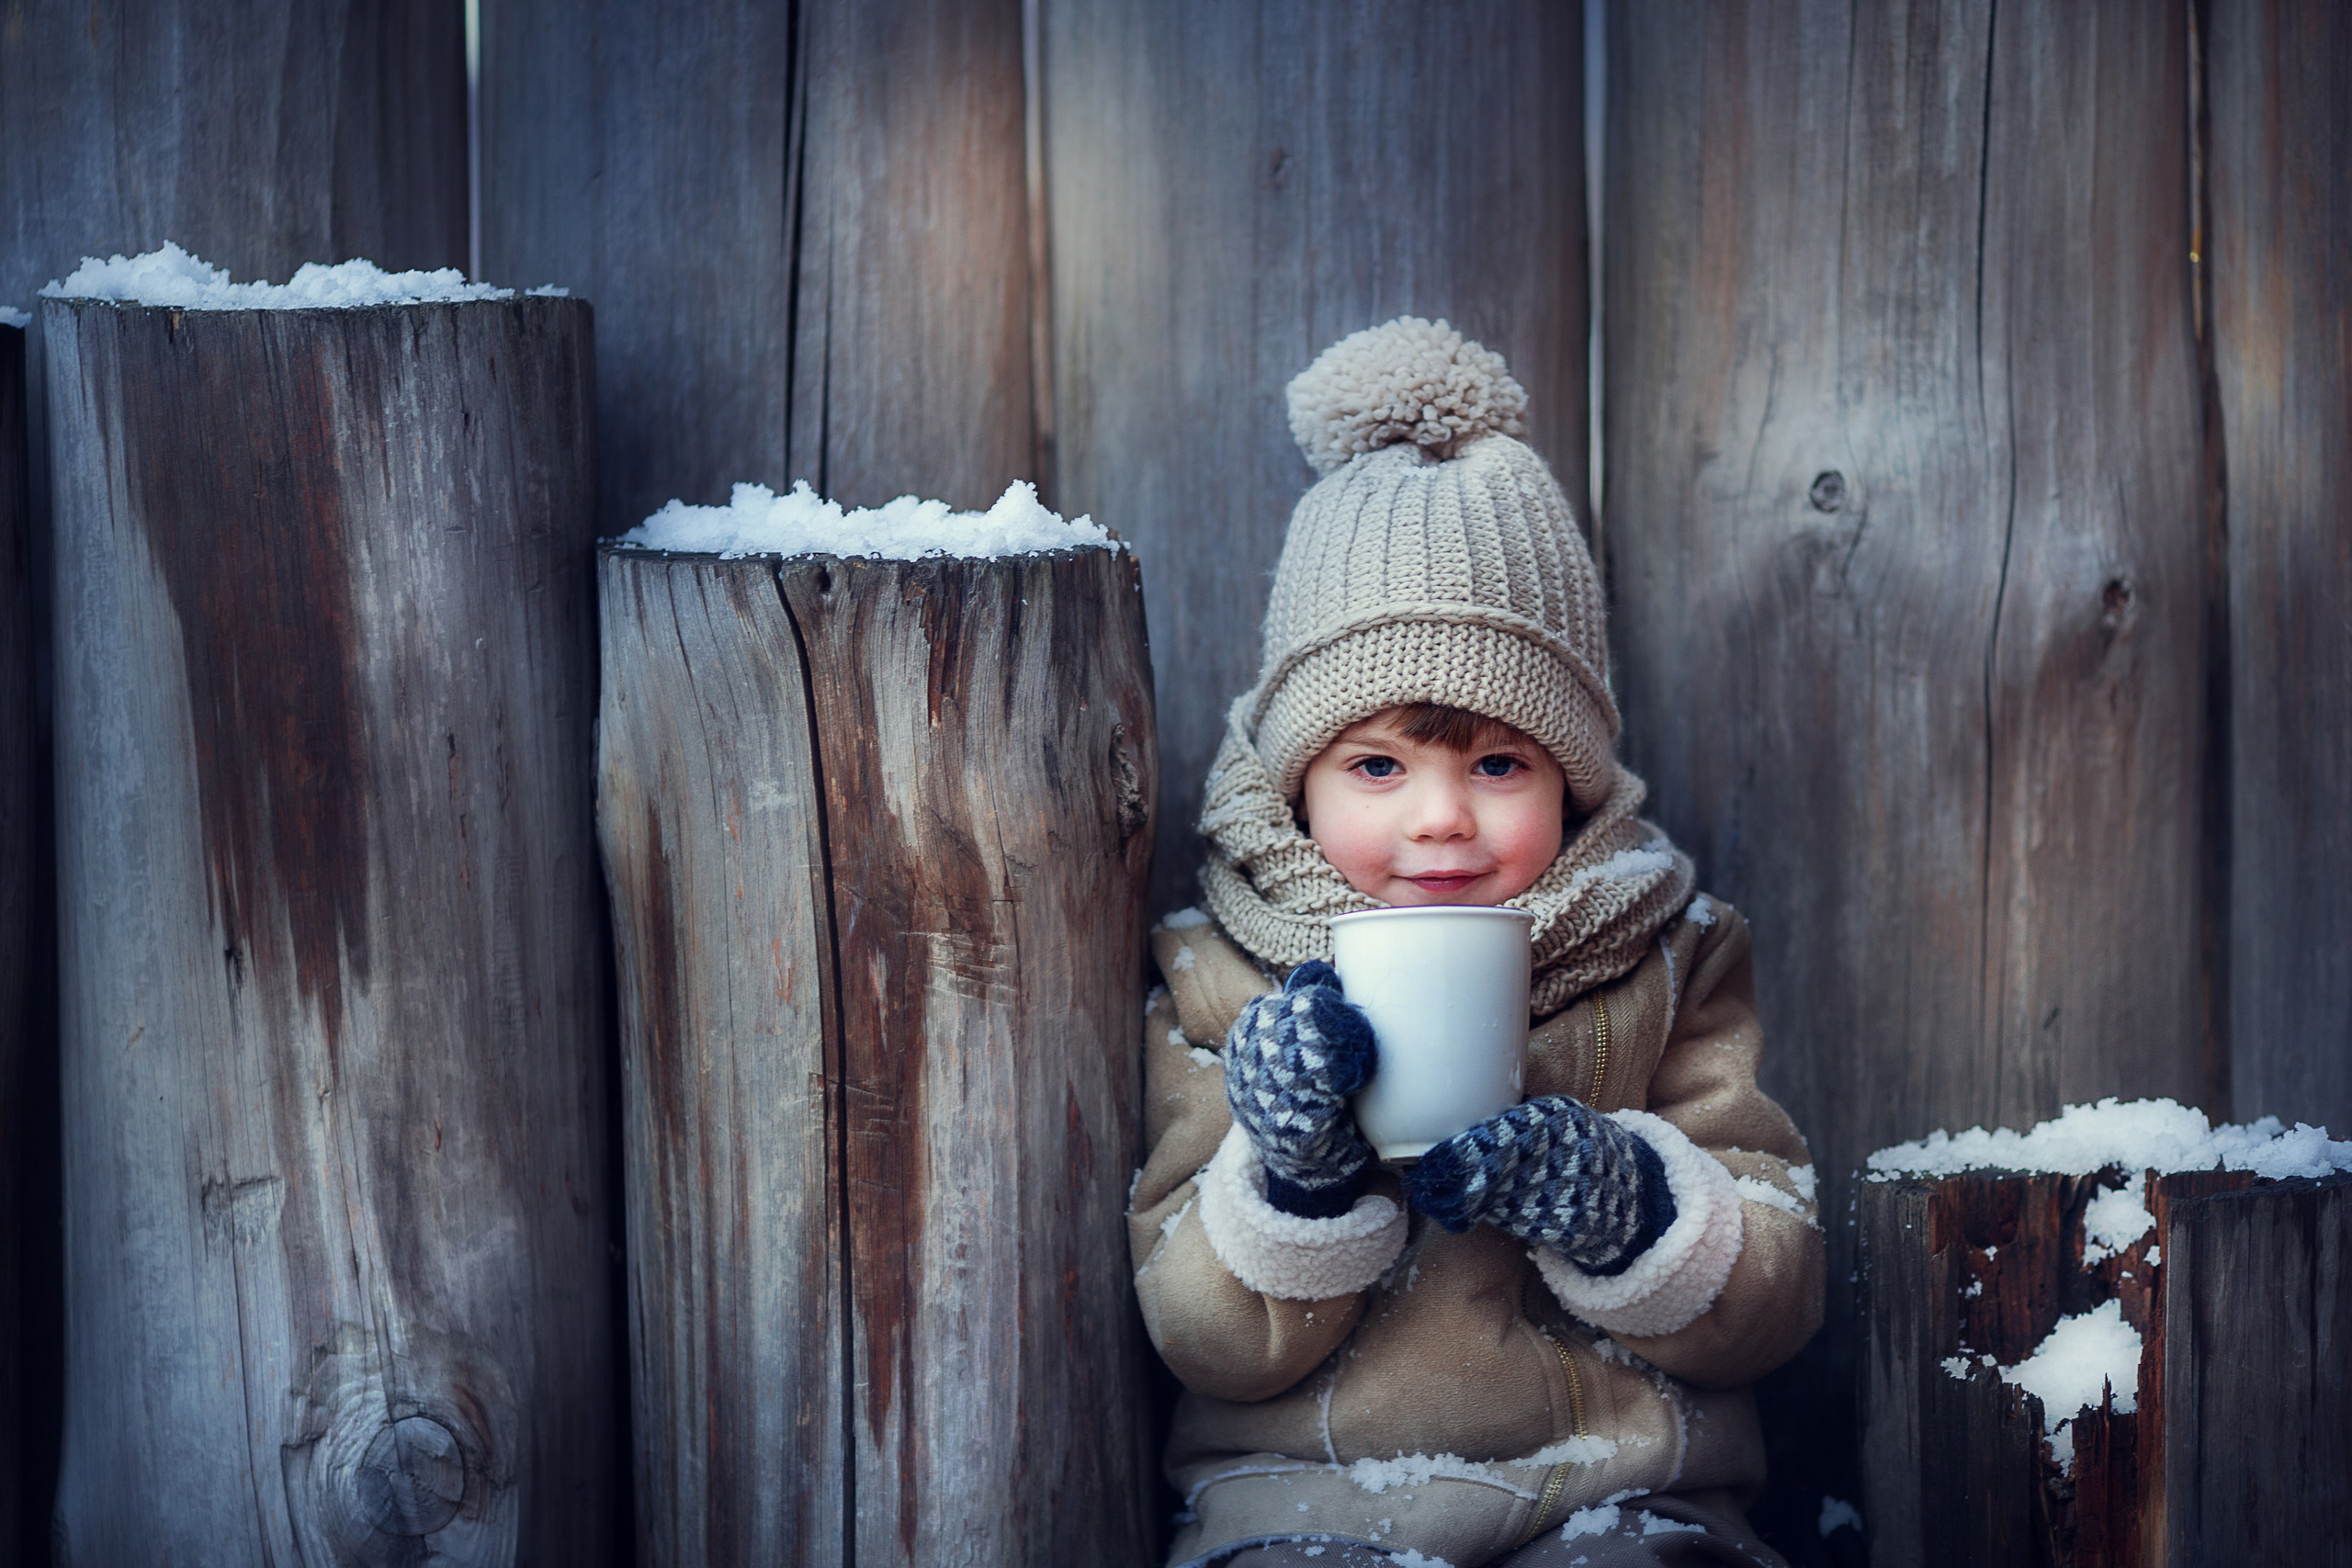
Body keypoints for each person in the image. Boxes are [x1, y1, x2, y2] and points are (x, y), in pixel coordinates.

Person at [1129, 319, 1824, 1567]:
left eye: (1500, 761)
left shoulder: (1666, 957)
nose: (1440, 816)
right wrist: (1296, 1172)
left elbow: (1777, 1289)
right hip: (1305, 1509)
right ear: (1297, 783)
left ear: (1575, 778)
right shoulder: (1219, 976)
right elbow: (1201, 1336)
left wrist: (1625, 1205)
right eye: (1378, 764)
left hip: (1622, 1499)